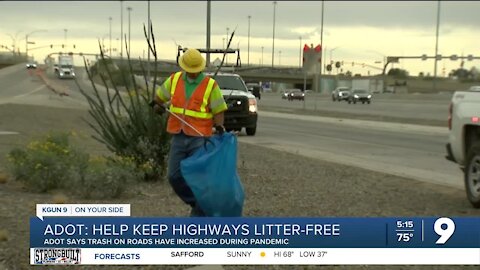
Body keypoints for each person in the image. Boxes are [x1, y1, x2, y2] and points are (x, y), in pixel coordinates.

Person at [151, 48, 228, 217]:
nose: (192, 74)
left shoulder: (210, 85)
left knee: (198, 178)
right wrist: (157, 107)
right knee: (174, 176)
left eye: (195, 71)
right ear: (184, 68)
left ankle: (200, 212)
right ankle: (199, 204)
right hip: (178, 135)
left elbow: (219, 110)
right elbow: (158, 99)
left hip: (199, 138)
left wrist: (220, 126)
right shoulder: (174, 80)